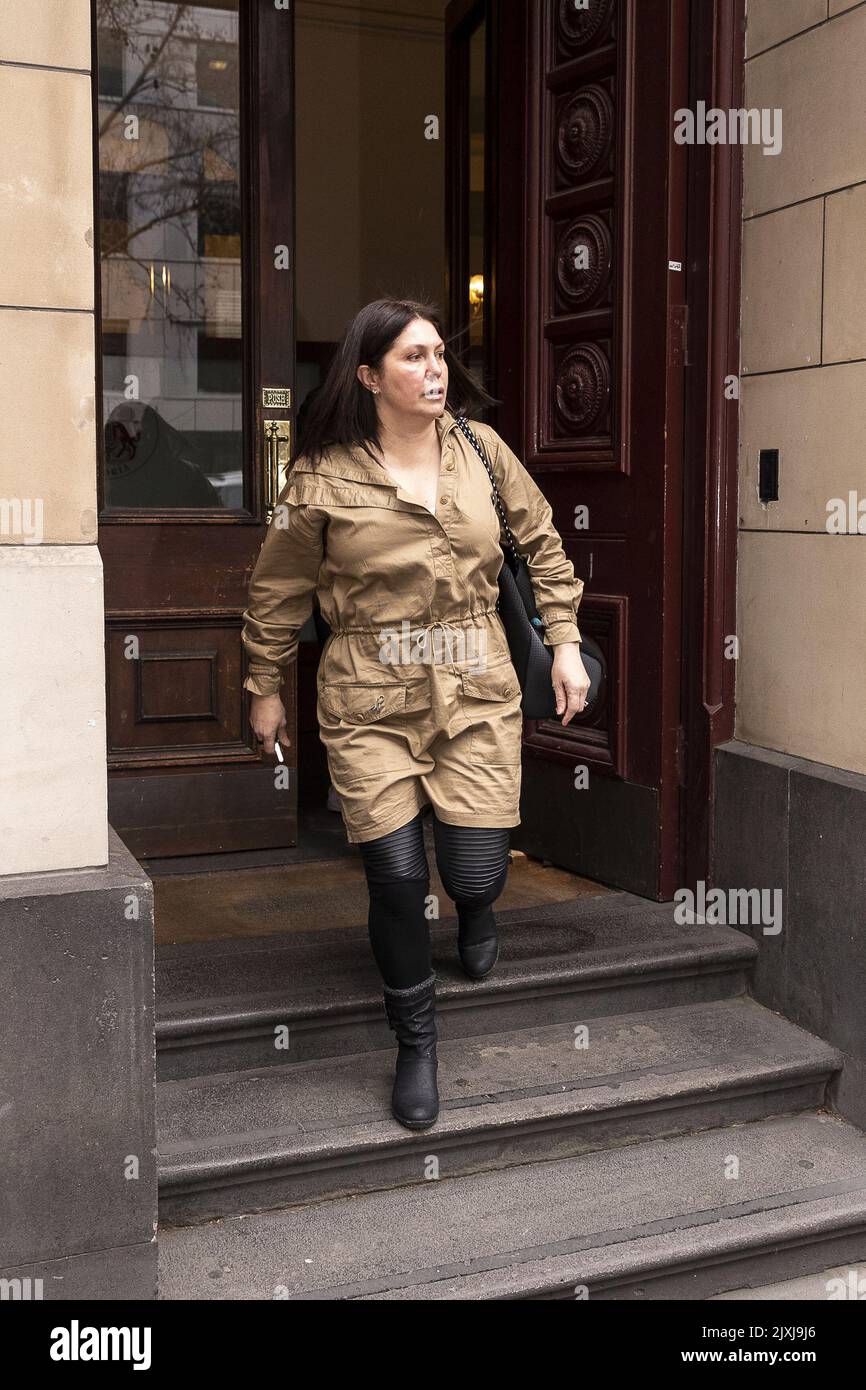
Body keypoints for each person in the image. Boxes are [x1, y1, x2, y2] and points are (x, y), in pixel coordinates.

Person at [241, 298, 589, 1131]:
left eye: (438, 355)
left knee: (474, 870)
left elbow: (541, 543)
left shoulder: (478, 447)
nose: (435, 370)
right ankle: (416, 1043)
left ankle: (475, 906)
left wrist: (568, 641)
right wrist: (264, 683)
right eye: (412, 358)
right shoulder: (319, 477)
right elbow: (279, 584)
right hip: (368, 693)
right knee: (396, 879)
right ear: (369, 377)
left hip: (474, 682)